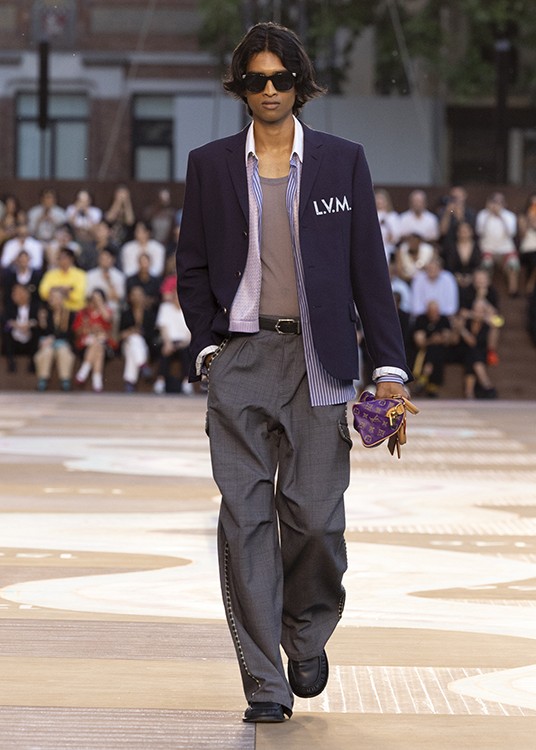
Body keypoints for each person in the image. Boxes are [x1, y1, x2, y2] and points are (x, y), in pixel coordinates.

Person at [176, 22, 410, 724]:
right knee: (245, 522)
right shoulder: (210, 164)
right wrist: (209, 348)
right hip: (242, 358)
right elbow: (191, 265)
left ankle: (305, 634)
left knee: (315, 519)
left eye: (281, 79)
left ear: (300, 84)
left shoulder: (342, 161)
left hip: (321, 361)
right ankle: (265, 682)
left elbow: (369, 268)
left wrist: (389, 371)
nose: (270, 90)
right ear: (241, 88)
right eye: (257, 80)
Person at [476, 192, 519, 297]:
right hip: (488, 249)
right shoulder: (483, 215)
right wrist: (489, 214)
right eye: (494, 201)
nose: (497, 204)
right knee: (486, 264)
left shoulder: (509, 215)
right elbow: (479, 232)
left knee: (513, 264)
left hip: (506, 249)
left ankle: (513, 291)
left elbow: (511, 233)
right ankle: (486, 290)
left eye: (500, 202)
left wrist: (501, 216)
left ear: (504, 204)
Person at [152, 282, 192, 395]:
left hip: (184, 343)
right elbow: (163, 328)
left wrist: (184, 343)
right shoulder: (165, 307)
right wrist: (168, 343)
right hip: (168, 341)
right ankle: (160, 381)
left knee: (186, 352)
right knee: (165, 352)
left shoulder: (189, 309)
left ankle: (187, 383)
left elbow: (191, 332)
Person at [34, 288, 76, 392]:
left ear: (62, 299)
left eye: (56, 297)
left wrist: (54, 338)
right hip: (46, 343)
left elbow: (69, 333)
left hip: (62, 342)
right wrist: (42, 322)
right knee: (47, 351)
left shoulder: (69, 314)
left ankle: (65, 380)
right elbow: (41, 332)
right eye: (52, 297)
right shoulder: (45, 313)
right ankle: (43, 379)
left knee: (63, 351)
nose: (53, 300)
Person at [72, 289, 114, 392]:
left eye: (97, 299)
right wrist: (90, 329)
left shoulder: (106, 311)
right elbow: (77, 331)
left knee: (98, 346)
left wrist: (100, 304)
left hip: (103, 344)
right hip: (85, 345)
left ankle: (83, 373)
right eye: (93, 299)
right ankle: (97, 383)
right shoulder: (83, 313)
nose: (94, 302)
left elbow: (108, 320)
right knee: (97, 346)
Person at [119, 285, 157, 392]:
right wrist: (130, 332)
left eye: (139, 295)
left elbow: (152, 335)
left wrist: (140, 333)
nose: (136, 297)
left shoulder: (149, 314)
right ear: (130, 297)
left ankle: (129, 381)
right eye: (134, 295)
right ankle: (142, 365)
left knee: (135, 342)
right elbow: (120, 335)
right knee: (133, 339)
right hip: (127, 345)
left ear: (144, 296)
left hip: (144, 346)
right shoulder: (125, 314)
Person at [2, 283, 40, 373]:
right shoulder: (9, 307)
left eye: (18, 293)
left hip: (30, 340)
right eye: (13, 293)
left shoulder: (35, 306)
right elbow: (4, 320)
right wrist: (15, 325)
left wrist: (29, 324)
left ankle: (33, 364)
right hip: (14, 341)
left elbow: (39, 320)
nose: (14, 295)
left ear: (26, 294)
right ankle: (11, 364)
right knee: (6, 332)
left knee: (37, 331)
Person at [38, 247, 87, 312]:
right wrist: (65, 290)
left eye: (64, 258)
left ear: (71, 259)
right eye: (59, 258)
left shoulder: (81, 275)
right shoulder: (50, 274)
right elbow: (43, 292)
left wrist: (56, 290)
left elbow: (79, 295)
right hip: (54, 310)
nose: (62, 261)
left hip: (74, 310)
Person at [517, 191, 536, 296]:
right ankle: (530, 284)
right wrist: (529, 220)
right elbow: (522, 234)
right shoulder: (523, 216)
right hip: (527, 249)